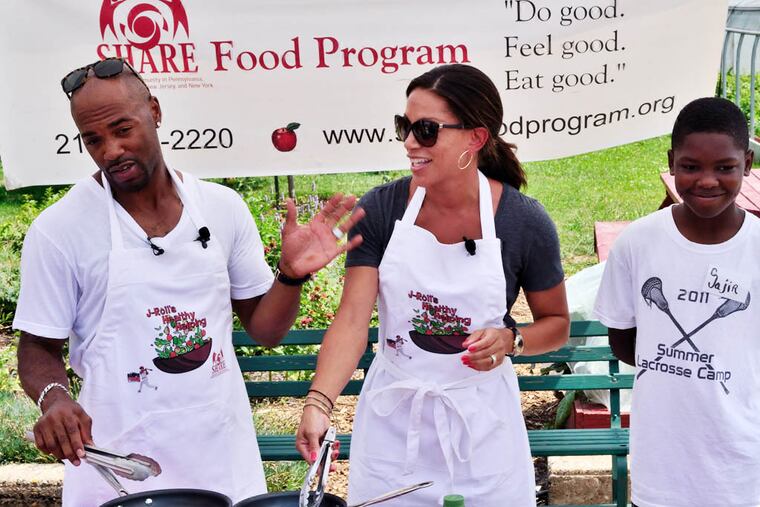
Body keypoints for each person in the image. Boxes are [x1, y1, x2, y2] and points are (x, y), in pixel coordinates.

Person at [14, 57, 363, 506]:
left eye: (123, 129)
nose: (111, 150)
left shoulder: (222, 207)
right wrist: (55, 399)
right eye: (93, 139)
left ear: (155, 112)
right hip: (121, 464)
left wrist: (290, 276)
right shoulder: (59, 228)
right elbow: (37, 347)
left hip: (220, 456)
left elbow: (266, 329)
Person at [296, 64, 570, 506]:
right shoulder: (383, 209)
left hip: (482, 433)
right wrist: (320, 401)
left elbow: (556, 324)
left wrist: (511, 338)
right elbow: (352, 318)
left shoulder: (522, 221)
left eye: (425, 130)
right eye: (404, 127)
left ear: (475, 139)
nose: (408, 143)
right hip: (392, 431)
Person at [594, 97, 760, 507]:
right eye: (691, 166)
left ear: (748, 162)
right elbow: (623, 342)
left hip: (741, 465)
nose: (707, 180)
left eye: (725, 167)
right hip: (661, 465)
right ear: (671, 161)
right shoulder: (638, 242)